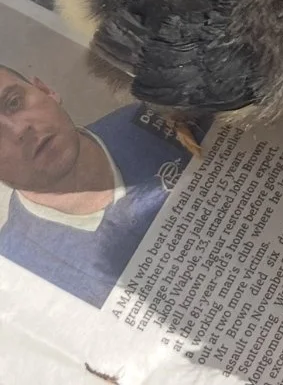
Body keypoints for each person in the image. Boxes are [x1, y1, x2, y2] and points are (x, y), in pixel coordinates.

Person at [0, 65, 192, 306]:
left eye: (14, 102)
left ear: (46, 90)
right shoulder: (14, 271)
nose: (20, 130)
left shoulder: (160, 120)